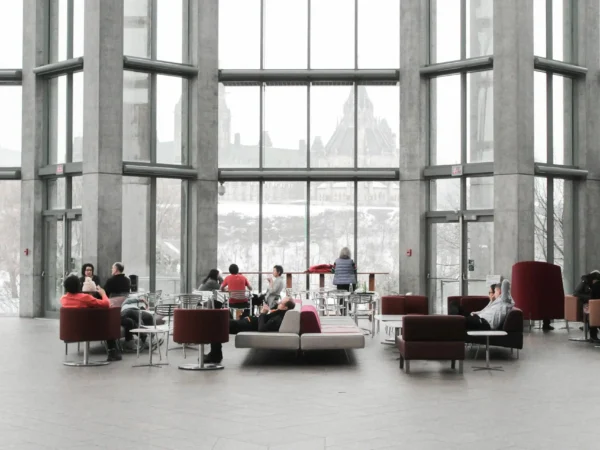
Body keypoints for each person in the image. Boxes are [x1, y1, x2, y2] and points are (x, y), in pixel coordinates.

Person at [205, 298, 297, 364]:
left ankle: (215, 354)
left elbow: (262, 328)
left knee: (216, 323)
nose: (278, 303)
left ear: (285, 308)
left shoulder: (279, 318)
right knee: (218, 309)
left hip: (243, 325)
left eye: (281, 303)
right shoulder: (279, 313)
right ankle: (215, 353)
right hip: (244, 322)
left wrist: (262, 313)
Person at [60, 274, 122, 362]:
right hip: (89, 331)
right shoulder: (85, 298)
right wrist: (103, 294)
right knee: (106, 323)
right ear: (78, 286)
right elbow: (106, 304)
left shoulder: (63, 299)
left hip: (70, 331)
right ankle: (112, 352)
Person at [450, 279, 514, 331]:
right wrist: (476, 313)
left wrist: (500, 286)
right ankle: (454, 320)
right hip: (479, 318)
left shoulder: (505, 301)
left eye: (495, 291)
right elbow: (484, 311)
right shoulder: (496, 302)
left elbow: (506, 282)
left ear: (500, 291)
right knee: (453, 303)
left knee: (459, 320)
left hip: (484, 324)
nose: (494, 294)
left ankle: (454, 321)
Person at [574, 270, 600, 340]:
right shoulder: (584, 283)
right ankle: (593, 334)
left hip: (594, 303)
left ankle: (593, 330)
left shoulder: (595, 285)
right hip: (585, 304)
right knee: (592, 311)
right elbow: (576, 293)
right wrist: (589, 297)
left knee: (595, 310)